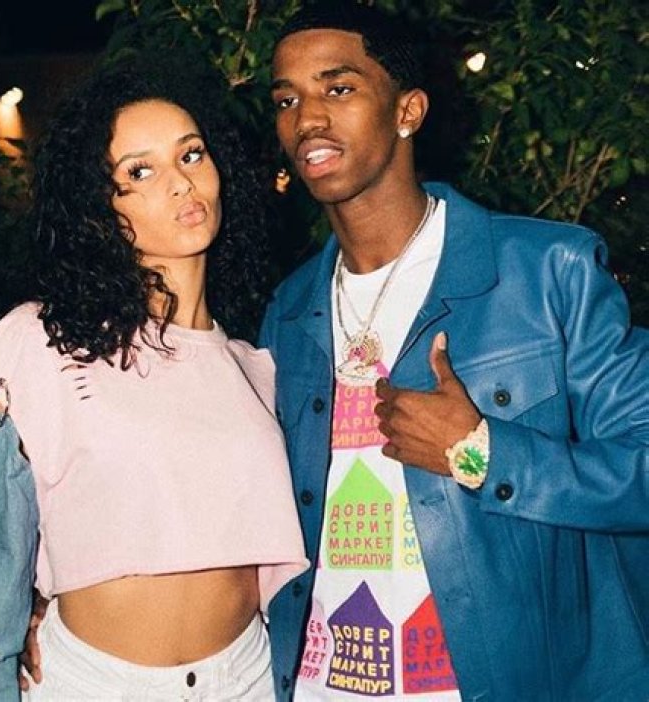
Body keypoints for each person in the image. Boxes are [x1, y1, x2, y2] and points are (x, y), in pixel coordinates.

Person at [260, 3, 649, 701]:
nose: (307, 118)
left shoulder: (546, 272)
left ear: (407, 111)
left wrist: (481, 452)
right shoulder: (288, 312)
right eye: (286, 100)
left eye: (338, 88)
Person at [0, 50, 308, 701]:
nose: (180, 183)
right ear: (99, 208)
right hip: (93, 682)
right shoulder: (38, 343)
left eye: (191, 155)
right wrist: (18, 618)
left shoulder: (258, 367)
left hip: (248, 678)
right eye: (139, 171)